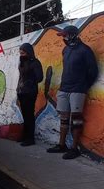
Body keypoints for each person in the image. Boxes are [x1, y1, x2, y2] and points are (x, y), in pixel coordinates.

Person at [47, 25, 98, 159]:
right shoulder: (65, 50)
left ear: (72, 35)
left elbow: (93, 71)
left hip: (78, 89)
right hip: (64, 88)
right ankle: (61, 145)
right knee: (64, 118)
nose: (63, 38)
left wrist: (84, 86)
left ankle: (74, 148)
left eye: (65, 35)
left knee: (76, 120)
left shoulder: (85, 50)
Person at [16, 43, 44, 147]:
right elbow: (21, 77)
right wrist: (18, 89)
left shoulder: (35, 63)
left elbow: (40, 77)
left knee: (29, 115)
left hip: (30, 92)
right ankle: (25, 136)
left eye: (23, 52)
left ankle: (30, 138)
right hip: (22, 92)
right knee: (25, 115)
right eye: (20, 52)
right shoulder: (22, 62)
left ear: (28, 52)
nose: (21, 54)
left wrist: (30, 81)